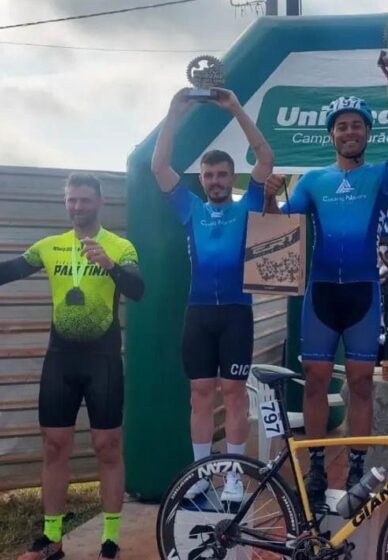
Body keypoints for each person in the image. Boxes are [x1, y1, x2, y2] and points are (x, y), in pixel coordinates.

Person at [0, 173, 145, 560]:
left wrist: (110, 265)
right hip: (61, 358)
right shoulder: (50, 246)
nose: (77, 206)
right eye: (71, 200)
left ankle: (110, 539)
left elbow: (137, 289)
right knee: (54, 445)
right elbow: (0, 276)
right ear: (65, 203)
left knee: (107, 446)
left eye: (84, 200)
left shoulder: (121, 246)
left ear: (100, 202)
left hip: (104, 360)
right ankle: (52, 538)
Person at [264, 56, 388, 507]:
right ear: (331, 135)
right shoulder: (313, 180)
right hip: (322, 292)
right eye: (342, 126)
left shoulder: (379, 177)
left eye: (357, 126)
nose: (350, 132)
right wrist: (269, 197)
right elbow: (279, 228)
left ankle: (359, 467)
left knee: (362, 382)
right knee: (315, 379)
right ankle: (313, 468)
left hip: (364, 292)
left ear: (367, 134)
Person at [151, 87, 279, 502]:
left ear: (232, 179)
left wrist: (236, 107)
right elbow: (158, 165)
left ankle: (236, 476)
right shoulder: (190, 208)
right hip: (200, 313)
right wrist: (174, 112)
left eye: (222, 175)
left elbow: (265, 157)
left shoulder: (247, 205)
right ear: (202, 180)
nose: (215, 181)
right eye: (209, 175)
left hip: (238, 313)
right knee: (200, 394)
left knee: (235, 393)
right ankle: (204, 473)